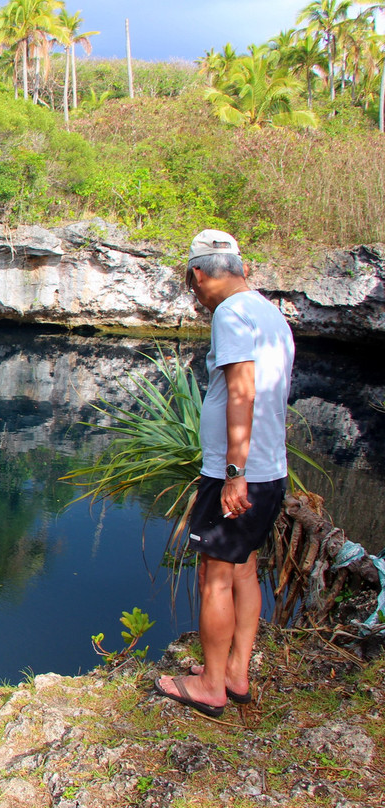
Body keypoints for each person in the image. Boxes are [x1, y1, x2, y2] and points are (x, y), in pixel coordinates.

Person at [154, 229, 294, 719]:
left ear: (197, 274)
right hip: (270, 468)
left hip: (237, 471)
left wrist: (234, 472)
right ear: (243, 267)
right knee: (244, 567)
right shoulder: (269, 312)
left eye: (191, 283)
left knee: (214, 574)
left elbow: (242, 392)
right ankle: (235, 673)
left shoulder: (231, 314)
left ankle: (211, 685)